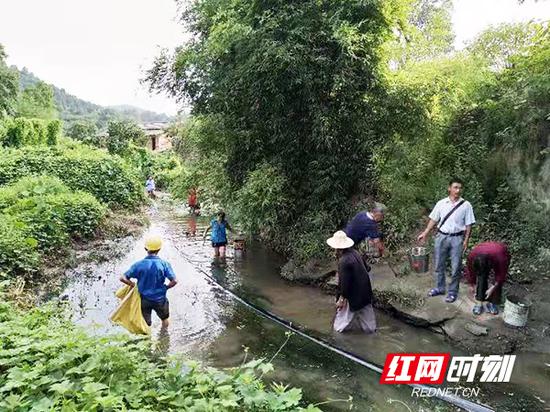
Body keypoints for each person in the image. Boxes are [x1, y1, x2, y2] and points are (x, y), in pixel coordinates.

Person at [417, 178, 476, 303]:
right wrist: (425, 232)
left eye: (460, 188)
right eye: (455, 187)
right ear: (449, 188)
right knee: (439, 264)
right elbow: (434, 219)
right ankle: (440, 288)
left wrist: (466, 240)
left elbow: (469, 225)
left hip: (457, 238)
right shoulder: (441, 203)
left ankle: (453, 292)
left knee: (456, 267)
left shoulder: (466, 205)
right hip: (441, 237)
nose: (458, 190)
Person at [119, 236, 177, 328]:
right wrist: (165, 287)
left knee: (146, 323)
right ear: (159, 249)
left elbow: (122, 278)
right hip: (160, 299)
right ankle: (164, 336)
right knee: (164, 319)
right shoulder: (164, 264)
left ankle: (147, 339)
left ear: (145, 248)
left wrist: (132, 284)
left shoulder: (138, 265)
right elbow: (174, 281)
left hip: (144, 299)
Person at [327, 230, 376, 334]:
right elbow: (367, 268)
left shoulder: (343, 261)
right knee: (370, 328)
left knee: (339, 327)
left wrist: (341, 299)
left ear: (337, 248)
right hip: (366, 294)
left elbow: (344, 283)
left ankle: (336, 344)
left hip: (353, 296)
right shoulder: (356, 253)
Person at [465, 242, 510, 316]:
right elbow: (470, 271)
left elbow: (501, 275)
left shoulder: (500, 258)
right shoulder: (472, 256)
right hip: (484, 253)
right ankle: (479, 302)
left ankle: (493, 303)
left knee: (498, 280)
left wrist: (492, 288)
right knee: (481, 277)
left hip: (499, 253)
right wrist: (472, 284)